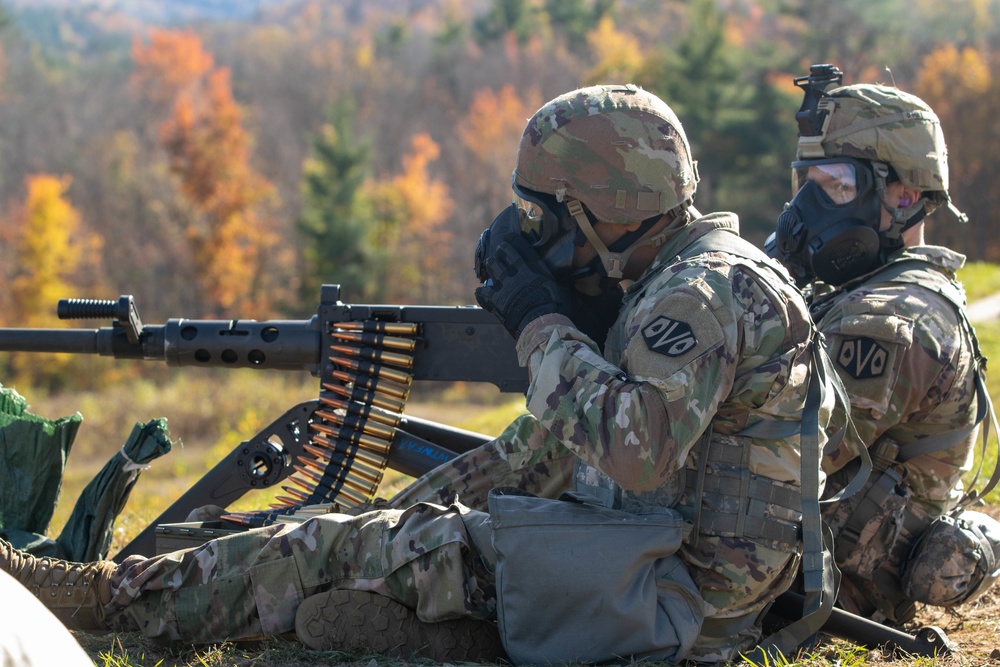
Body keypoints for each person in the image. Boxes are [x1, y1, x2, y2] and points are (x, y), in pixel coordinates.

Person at [1, 84, 847, 664]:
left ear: (606, 210)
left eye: (542, 216)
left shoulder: (698, 294)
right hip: (668, 573)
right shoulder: (697, 275)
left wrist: (542, 324)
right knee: (373, 535)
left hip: (677, 602)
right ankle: (450, 618)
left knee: (337, 545)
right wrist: (396, 516)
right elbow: (537, 453)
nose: (533, 236)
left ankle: (108, 604)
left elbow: (637, 452)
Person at [767, 69, 1000, 627]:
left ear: (905, 195)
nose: (808, 210)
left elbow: (777, 458)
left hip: (830, 591)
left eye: (837, 186)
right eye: (808, 185)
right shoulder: (861, 293)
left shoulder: (889, 318)